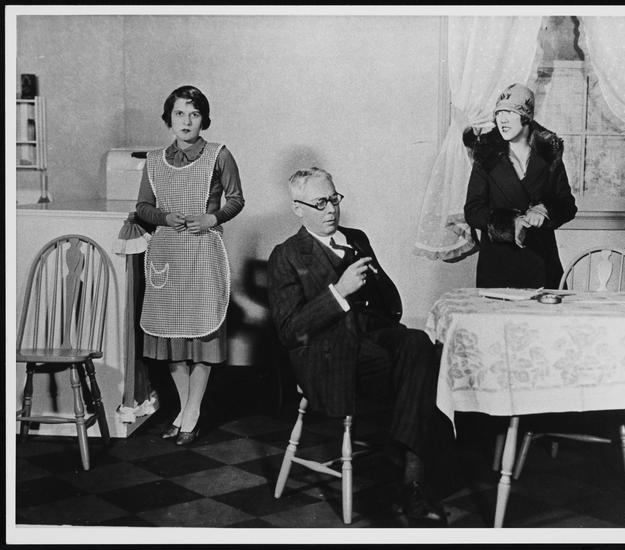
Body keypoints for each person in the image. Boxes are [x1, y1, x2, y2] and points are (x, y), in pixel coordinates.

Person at [267, 167, 443, 523]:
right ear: (298, 208)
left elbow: (388, 302)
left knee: (420, 345)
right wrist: (339, 291)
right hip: (326, 352)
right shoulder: (286, 255)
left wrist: (371, 282)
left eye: (334, 199)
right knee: (416, 373)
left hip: (370, 334)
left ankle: (408, 472)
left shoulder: (356, 238)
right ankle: (411, 478)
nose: (331, 209)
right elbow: (289, 331)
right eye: (320, 203)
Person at [136, 85, 244, 445]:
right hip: (168, 254)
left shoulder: (219, 155)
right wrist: (165, 217)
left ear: (203, 119)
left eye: (194, 114)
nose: (186, 121)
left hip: (203, 252)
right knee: (172, 337)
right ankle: (186, 410)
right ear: (169, 118)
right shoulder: (154, 160)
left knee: (200, 336)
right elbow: (143, 207)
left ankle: (192, 412)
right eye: (180, 113)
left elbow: (236, 199)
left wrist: (212, 219)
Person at [463, 83, 577, 289]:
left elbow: (567, 204)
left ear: (526, 116)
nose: (502, 119)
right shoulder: (486, 156)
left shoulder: (549, 154)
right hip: (497, 266)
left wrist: (545, 209)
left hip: (542, 263)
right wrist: (509, 224)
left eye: (510, 112)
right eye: (498, 113)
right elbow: (473, 210)